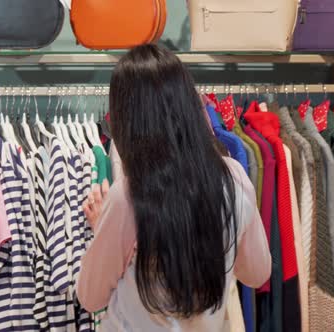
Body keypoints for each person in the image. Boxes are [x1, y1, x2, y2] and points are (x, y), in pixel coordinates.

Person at [77, 44, 271, 331]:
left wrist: (101, 228)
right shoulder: (233, 177)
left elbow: (90, 297)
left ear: (127, 119)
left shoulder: (129, 195)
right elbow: (257, 273)